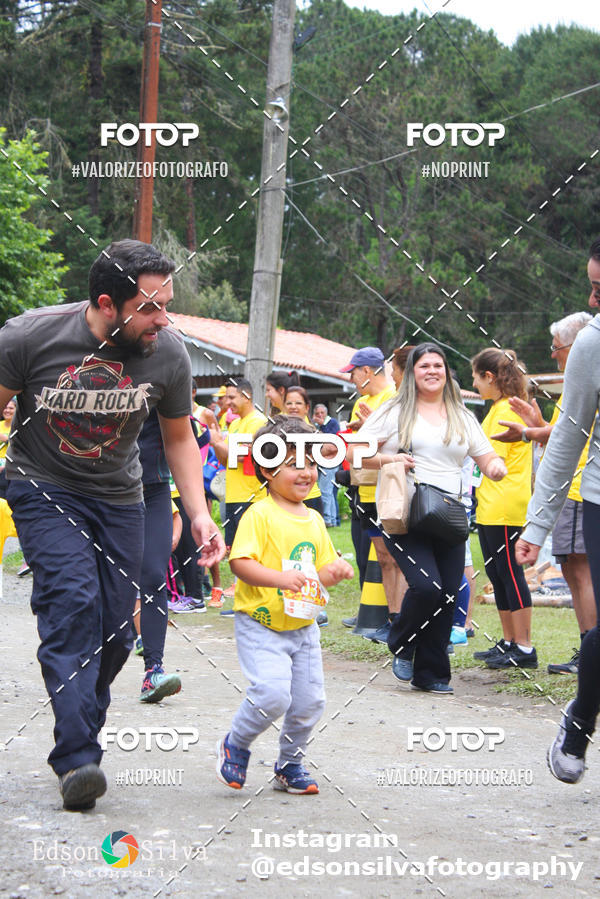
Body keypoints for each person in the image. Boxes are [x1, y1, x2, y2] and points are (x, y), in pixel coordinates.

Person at [0, 239, 225, 811]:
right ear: (107, 303)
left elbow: (179, 439)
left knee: (117, 634)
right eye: (150, 308)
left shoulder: (167, 354)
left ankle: (80, 732)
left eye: (166, 304)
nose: (163, 320)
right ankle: (78, 758)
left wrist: (199, 514)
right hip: (42, 486)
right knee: (72, 603)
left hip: (121, 498)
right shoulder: (29, 337)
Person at [351, 343, 506, 693]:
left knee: (448, 594)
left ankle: (432, 674)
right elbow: (355, 452)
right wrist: (390, 461)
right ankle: (402, 641)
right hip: (405, 512)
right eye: (424, 366)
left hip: (450, 514)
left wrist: (496, 468)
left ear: (447, 372)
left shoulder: (462, 415)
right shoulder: (394, 411)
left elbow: (486, 456)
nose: (432, 371)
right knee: (426, 586)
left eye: (439, 365)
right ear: (412, 374)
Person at [216, 415, 353, 792]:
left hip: (303, 626)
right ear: (266, 468)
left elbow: (317, 573)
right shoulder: (259, 514)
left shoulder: (313, 519)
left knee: (309, 703)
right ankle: (236, 744)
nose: (306, 472)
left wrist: (335, 570)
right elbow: (240, 564)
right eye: (294, 464)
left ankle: (289, 765)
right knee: (273, 695)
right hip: (261, 623)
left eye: (311, 463)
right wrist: (280, 580)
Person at [516, 238, 600, 783]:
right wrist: (538, 522)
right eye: (594, 287)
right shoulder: (593, 342)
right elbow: (568, 436)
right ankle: (581, 720)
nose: (595, 300)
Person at [492, 312, 595, 675]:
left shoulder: (589, 370)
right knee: (572, 568)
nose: (553, 355)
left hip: (582, 488)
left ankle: (591, 652)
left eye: (557, 347)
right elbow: (566, 433)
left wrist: (531, 432)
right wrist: (537, 428)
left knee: (581, 572)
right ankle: (588, 648)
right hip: (574, 489)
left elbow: (574, 438)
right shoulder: (574, 380)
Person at [471, 348, 536, 670]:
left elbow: (490, 458)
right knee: (498, 575)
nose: (474, 383)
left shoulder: (505, 409)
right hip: (492, 503)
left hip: (506, 504)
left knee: (511, 574)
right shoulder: (497, 407)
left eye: (476, 376)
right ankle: (510, 640)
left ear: (490, 377)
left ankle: (524, 646)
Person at [340, 347, 399, 639]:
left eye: (352, 372)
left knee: (395, 558)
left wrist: (371, 426)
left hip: (390, 489)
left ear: (366, 371)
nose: (350, 378)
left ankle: (400, 619)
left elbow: (397, 439)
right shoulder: (361, 402)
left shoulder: (393, 398)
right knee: (377, 556)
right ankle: (386, 617)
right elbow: (357, 446)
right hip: (363, 488)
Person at [210, 378, 267, 604]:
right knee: (235, 550)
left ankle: (257, 598)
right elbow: (226, 459)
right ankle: (243, 598)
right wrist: (218, 444)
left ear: (247, 397)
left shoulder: (258, 422)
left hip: (252, 496)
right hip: (233, 495)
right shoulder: (233, 424)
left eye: (232, 397)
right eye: (226, 398)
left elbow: (247, 456)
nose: (227, 402)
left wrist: (218, 442)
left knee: (251, 551)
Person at [283, 386, 323, 516]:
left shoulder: (314, 433)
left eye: (298, 403)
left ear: (307, 408)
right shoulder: (277, 431)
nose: (293, 407)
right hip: (284, 496)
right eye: (289, 403)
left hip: (309, 496)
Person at [312, 404, 341, 527]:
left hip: (331, 461)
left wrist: (320, 427)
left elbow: (331, 440)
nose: (319, 416)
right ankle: (333, 520)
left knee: (326, 492)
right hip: (319, 460)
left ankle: (327, 520)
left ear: (326, 413)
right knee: (328, 492)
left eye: (321, 413)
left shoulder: (332, 422)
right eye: (317, 413)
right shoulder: (315, 424)